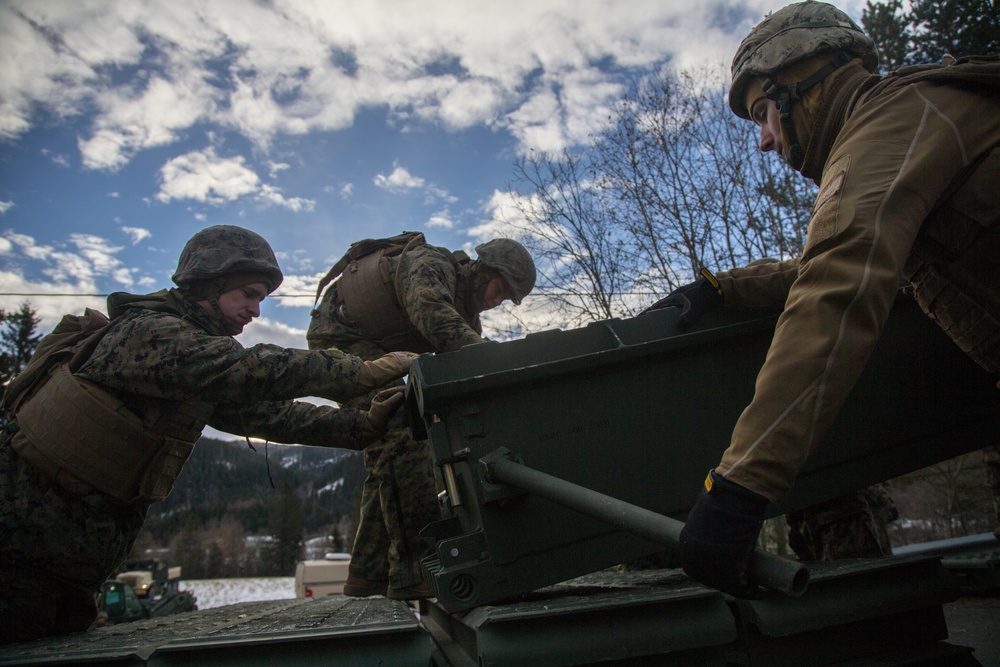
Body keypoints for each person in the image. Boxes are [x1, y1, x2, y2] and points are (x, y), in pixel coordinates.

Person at [665, 1, 1000, 597]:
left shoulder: (889, 123)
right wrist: (724, 287)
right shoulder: (907, 121)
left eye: (764, 113)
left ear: (804, 84)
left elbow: (835, 285)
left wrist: (738, 490)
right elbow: (834, 261)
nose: (765, 141)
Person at [0, 225, 414, 645]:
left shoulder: (191, 369)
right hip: (18, 552)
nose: (256, 311)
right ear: (211, 283)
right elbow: (245, 369)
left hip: (66, 565)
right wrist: (361, 371)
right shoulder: (147, 334)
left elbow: (273, 416)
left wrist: (363, 425)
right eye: (248, 294)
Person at [307, 234, 536, 600]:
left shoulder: (470, 318)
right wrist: (504, 365)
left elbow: (460, 372)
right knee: (401, 428)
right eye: (500, 288)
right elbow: (437, 321)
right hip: (340, 336)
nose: (498, 301)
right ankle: (414, 569)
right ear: (483, 268)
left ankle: (368, 574)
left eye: (507, 298)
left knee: (388, 449)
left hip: (376, 348)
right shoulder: (431, 265)